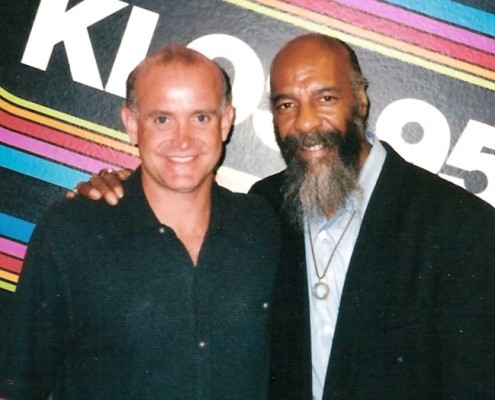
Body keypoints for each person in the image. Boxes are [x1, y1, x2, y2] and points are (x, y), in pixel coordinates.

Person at [67, 33, 495, 399]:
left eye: (325, 98)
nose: (305, 123)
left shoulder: (460, 226)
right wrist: (123, 187)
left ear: (360, 99)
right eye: (286, 105)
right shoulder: (263, 206)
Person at [0, 45, 281, 399]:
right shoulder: (70, 233)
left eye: (201, 118)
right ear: (132, 125)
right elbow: (19, 385)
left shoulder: (263, 225)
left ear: (225, 122)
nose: (183, 140)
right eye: (162, 118)